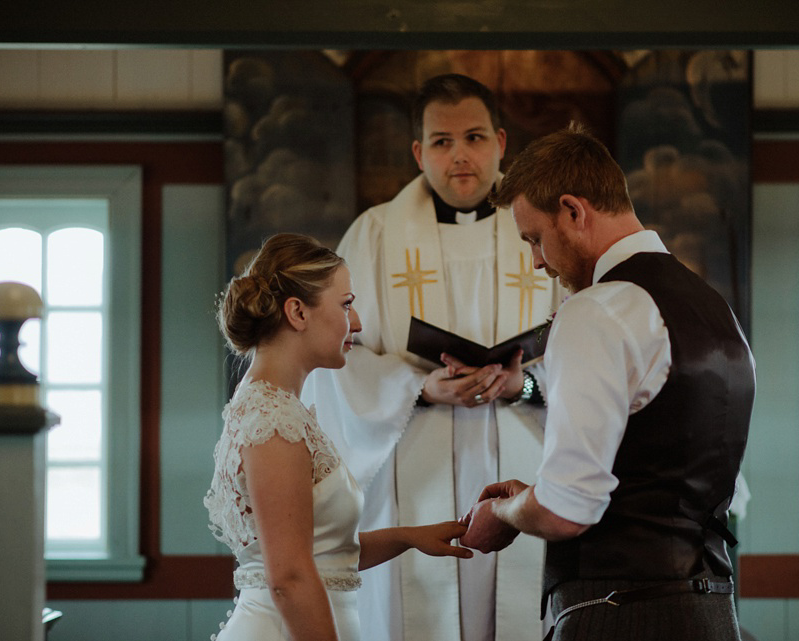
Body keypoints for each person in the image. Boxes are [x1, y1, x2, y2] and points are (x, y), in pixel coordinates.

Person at [459, 123, 755, 641]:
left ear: (573, 211)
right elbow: (657, 476)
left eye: (534, 238)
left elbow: (565, 512)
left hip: (621, 614)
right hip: (712, 614)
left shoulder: (596, 310)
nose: (536, 261)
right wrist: (535, 491)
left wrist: (503, 512)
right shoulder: (712, 307)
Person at [302, 74, 566, 641]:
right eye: (442, 142)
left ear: (500, 143)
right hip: (409, 471)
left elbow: (584, 346)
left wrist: (522, 384)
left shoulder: (543, 230)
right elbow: (330, 361)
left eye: (473, 138)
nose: (459, 155)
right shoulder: (374, 236)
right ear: (420, 152)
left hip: (525, 462)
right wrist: (418, 388)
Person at [204, 233, 473, 641]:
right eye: (346, 305)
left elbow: (320, 553)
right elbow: (290, 578)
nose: (358, 322)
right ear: (297, 312)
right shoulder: (273, 421)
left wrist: (408, 536)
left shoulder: (273, 406)